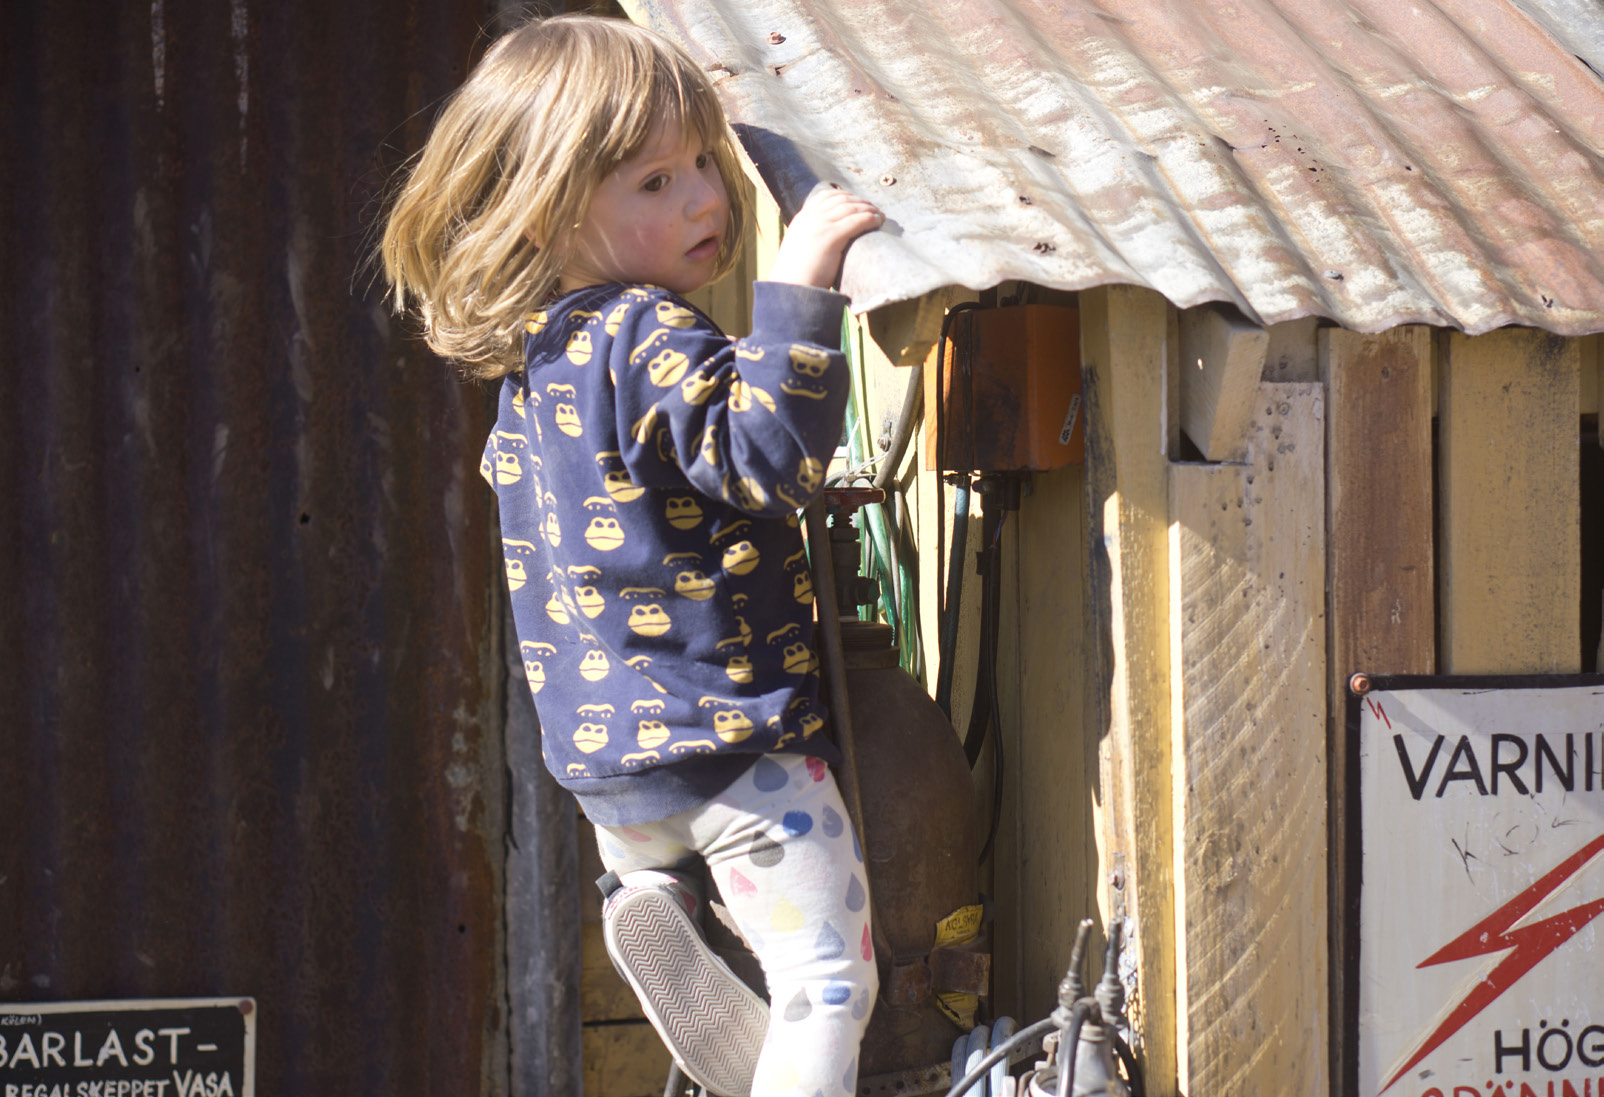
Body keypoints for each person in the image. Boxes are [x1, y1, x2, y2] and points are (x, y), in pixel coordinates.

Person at [380, 14, 884, 1096]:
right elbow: (769, 463)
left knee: (765, 978)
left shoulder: (537, 372)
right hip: (735, 746)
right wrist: (804, 280)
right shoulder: (651, 332)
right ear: (550, 213)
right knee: (827, 979)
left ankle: (648, 898)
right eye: (652, 183)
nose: (706, 197)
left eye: (704, 162)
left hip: (615, 770)